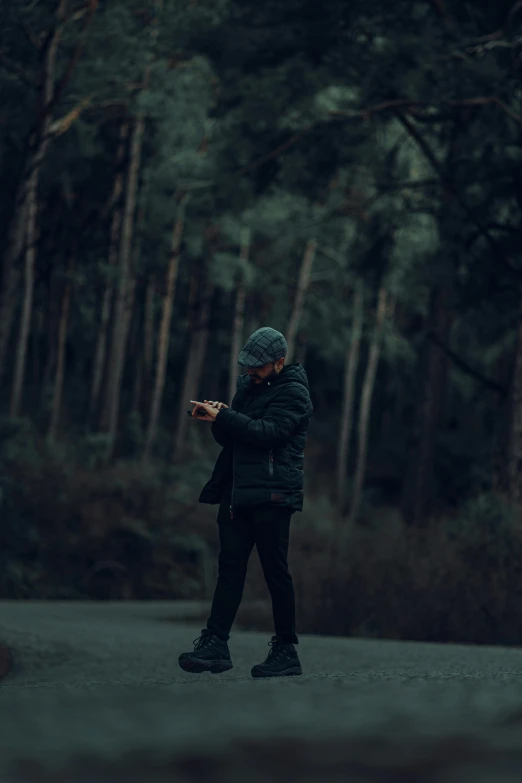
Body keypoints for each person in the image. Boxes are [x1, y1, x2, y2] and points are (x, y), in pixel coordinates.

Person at [178, 327, 313, 678]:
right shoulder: (248, 388)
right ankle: (215, 644)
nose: (251, 371)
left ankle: (286, 650)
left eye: (259, 366)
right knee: (230, 570)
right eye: (248, 365)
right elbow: (231, 436)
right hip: (237, 491)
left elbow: (267, 433)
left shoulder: (295, 393)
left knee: (275, 571)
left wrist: (227, 417)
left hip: (274, 493)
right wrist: (218, 416)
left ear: (279, 363)